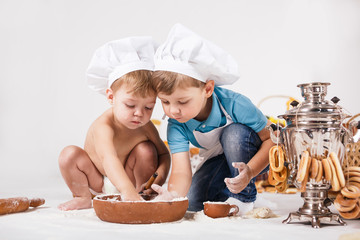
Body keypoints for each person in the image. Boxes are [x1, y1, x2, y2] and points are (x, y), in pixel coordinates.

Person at [150, 24, 274, 214]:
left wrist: (249, 172)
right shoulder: (176, 125)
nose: (173, 110)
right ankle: (229, 190)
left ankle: (245, 197)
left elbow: (271, 141)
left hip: (253, 157)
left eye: (182, 101)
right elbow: (182, 171)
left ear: (207, 90)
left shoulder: (234, 104)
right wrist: (174, 195)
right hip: (219, 159)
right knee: (192, 201)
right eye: (165, 101)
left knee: (234, 134)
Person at [58, 37, 170, 211]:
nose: (139, 113)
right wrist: (125, 190)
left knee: (147, 149)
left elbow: (163, 154)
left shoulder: (145, 126)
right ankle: (83, 197)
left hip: (132, 182)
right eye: (130, 105)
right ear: (111, 97)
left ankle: (143, 195)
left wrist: (159, 176)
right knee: (68, 154)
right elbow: (108, 159)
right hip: (98, 181)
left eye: (148, 107)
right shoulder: (104, 125)